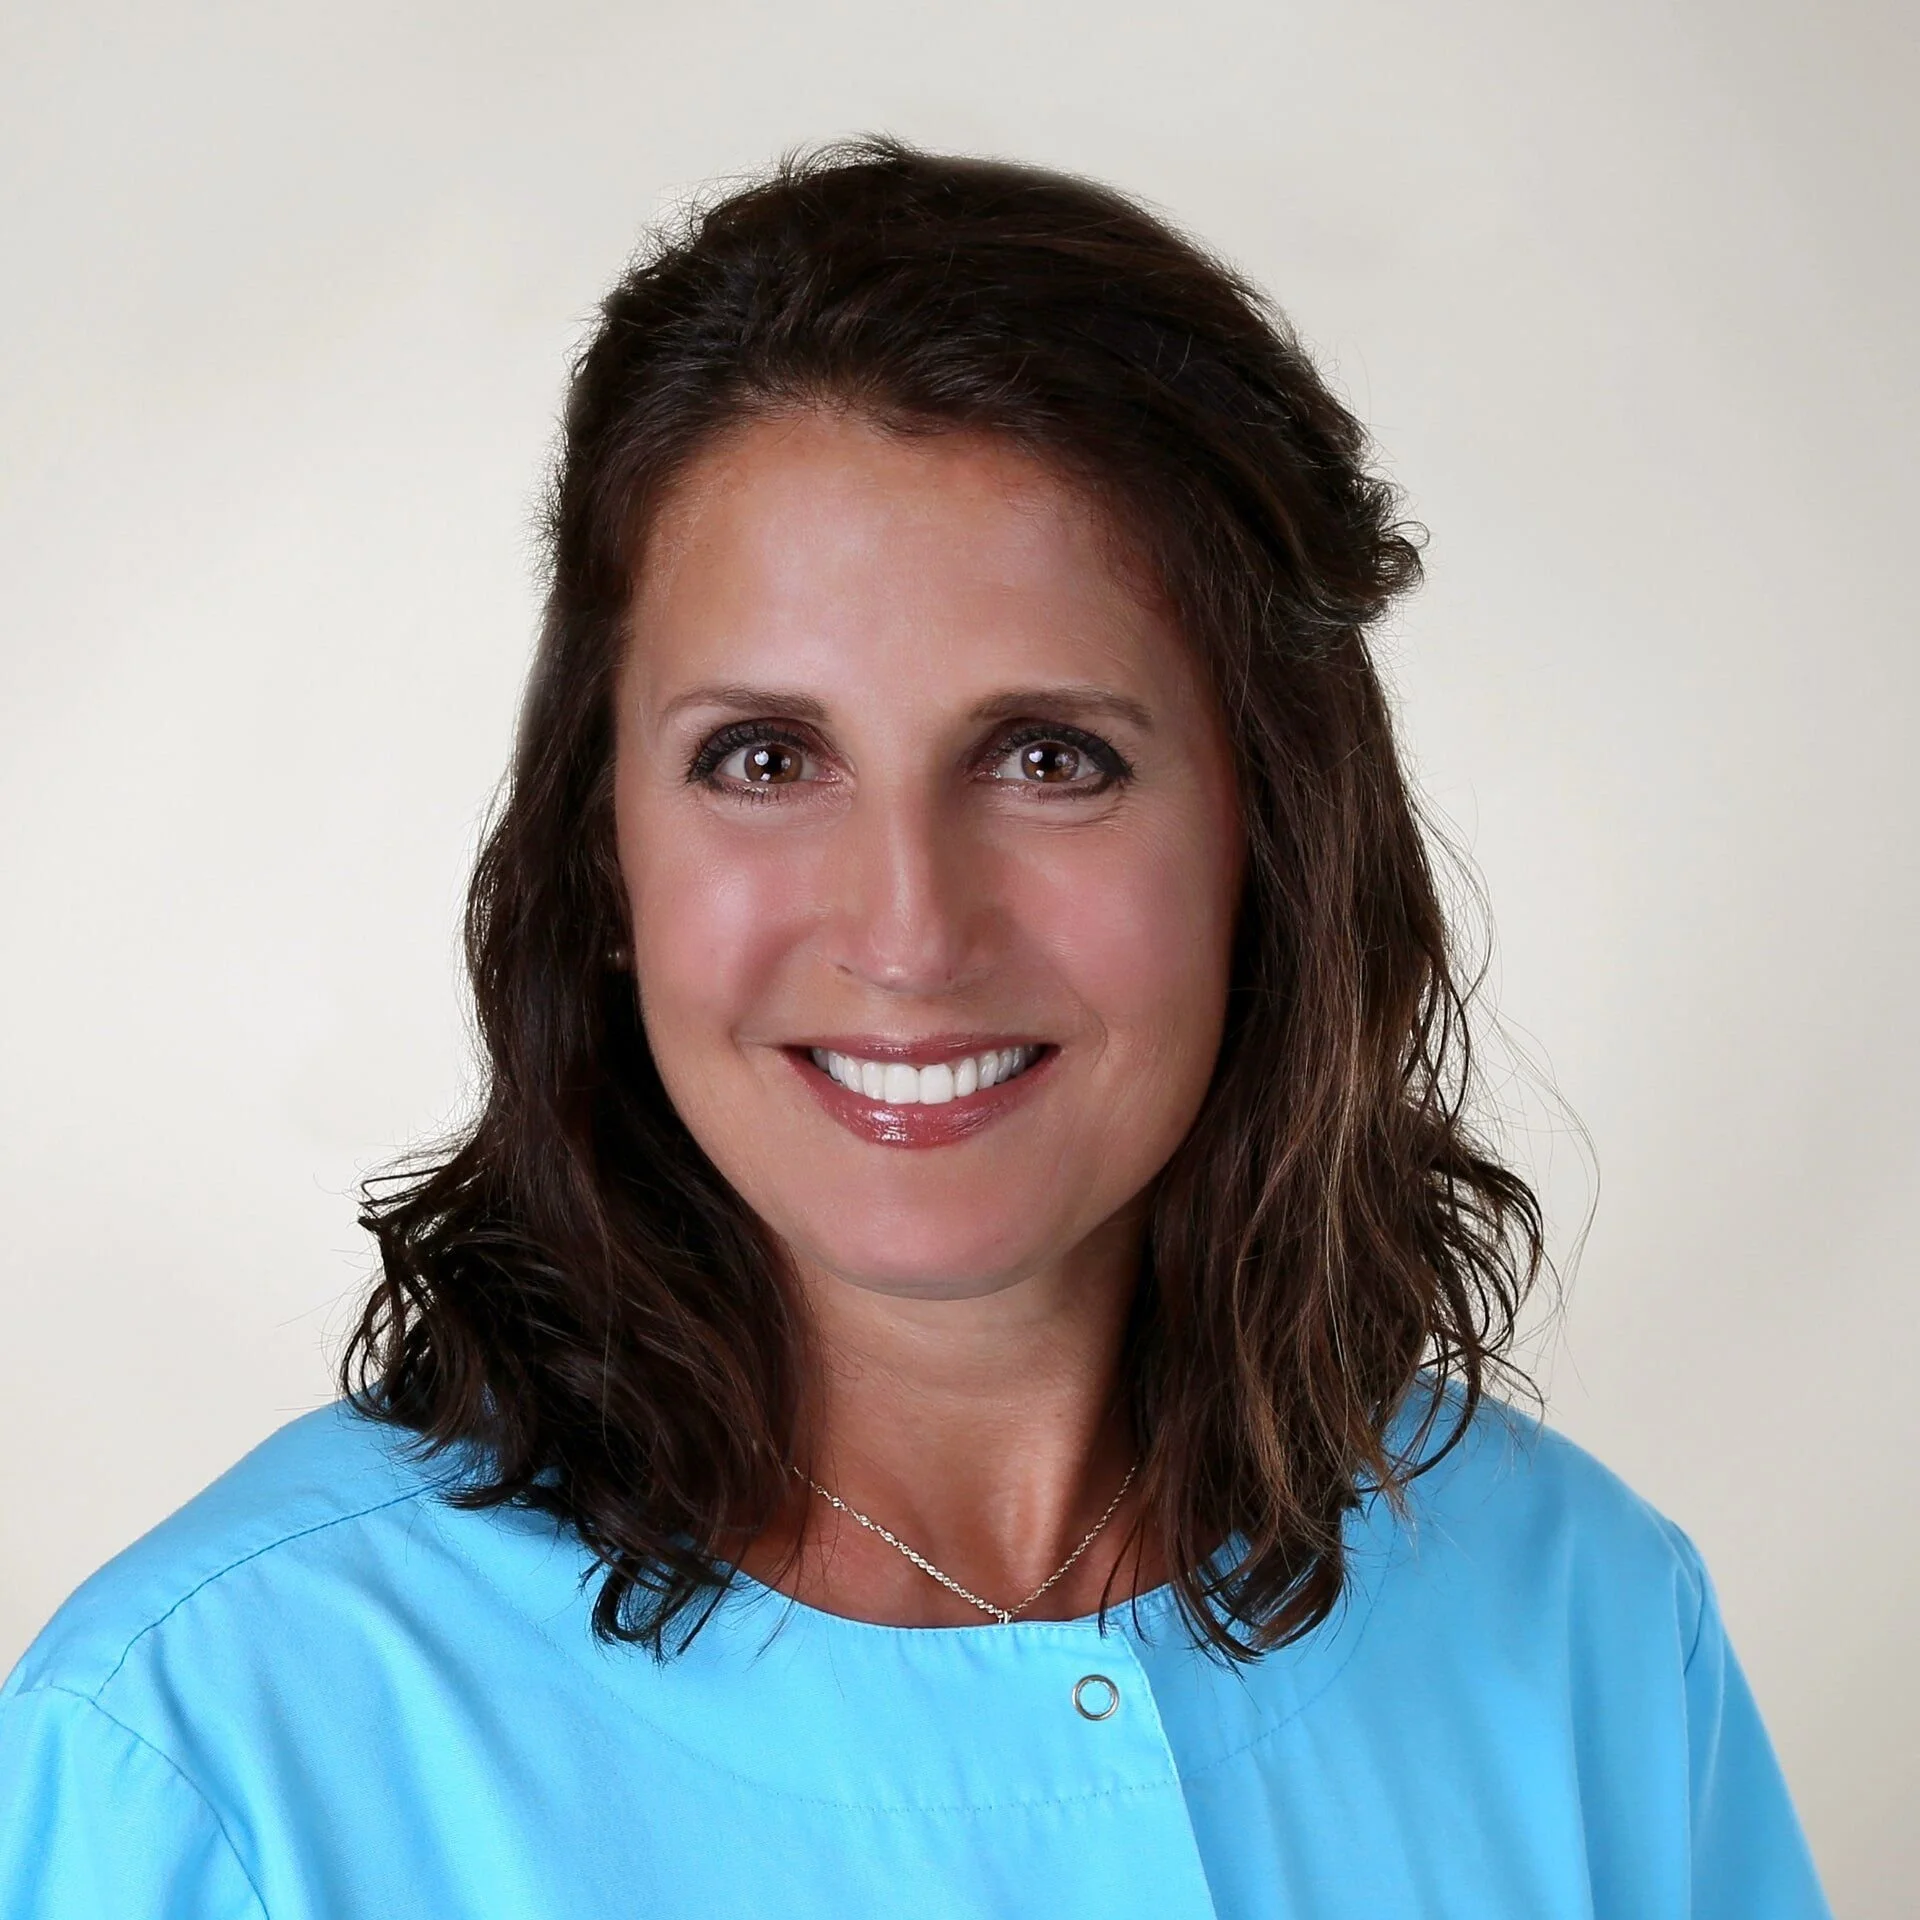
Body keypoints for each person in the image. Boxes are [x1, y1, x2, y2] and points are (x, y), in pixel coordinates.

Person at [0, 138, 1830, 1918]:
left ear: (1274, 833)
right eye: (766, 758)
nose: (908, 930)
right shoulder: (210, 1747)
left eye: (1052, 758)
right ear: (600, 849)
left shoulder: (1582, 1624)